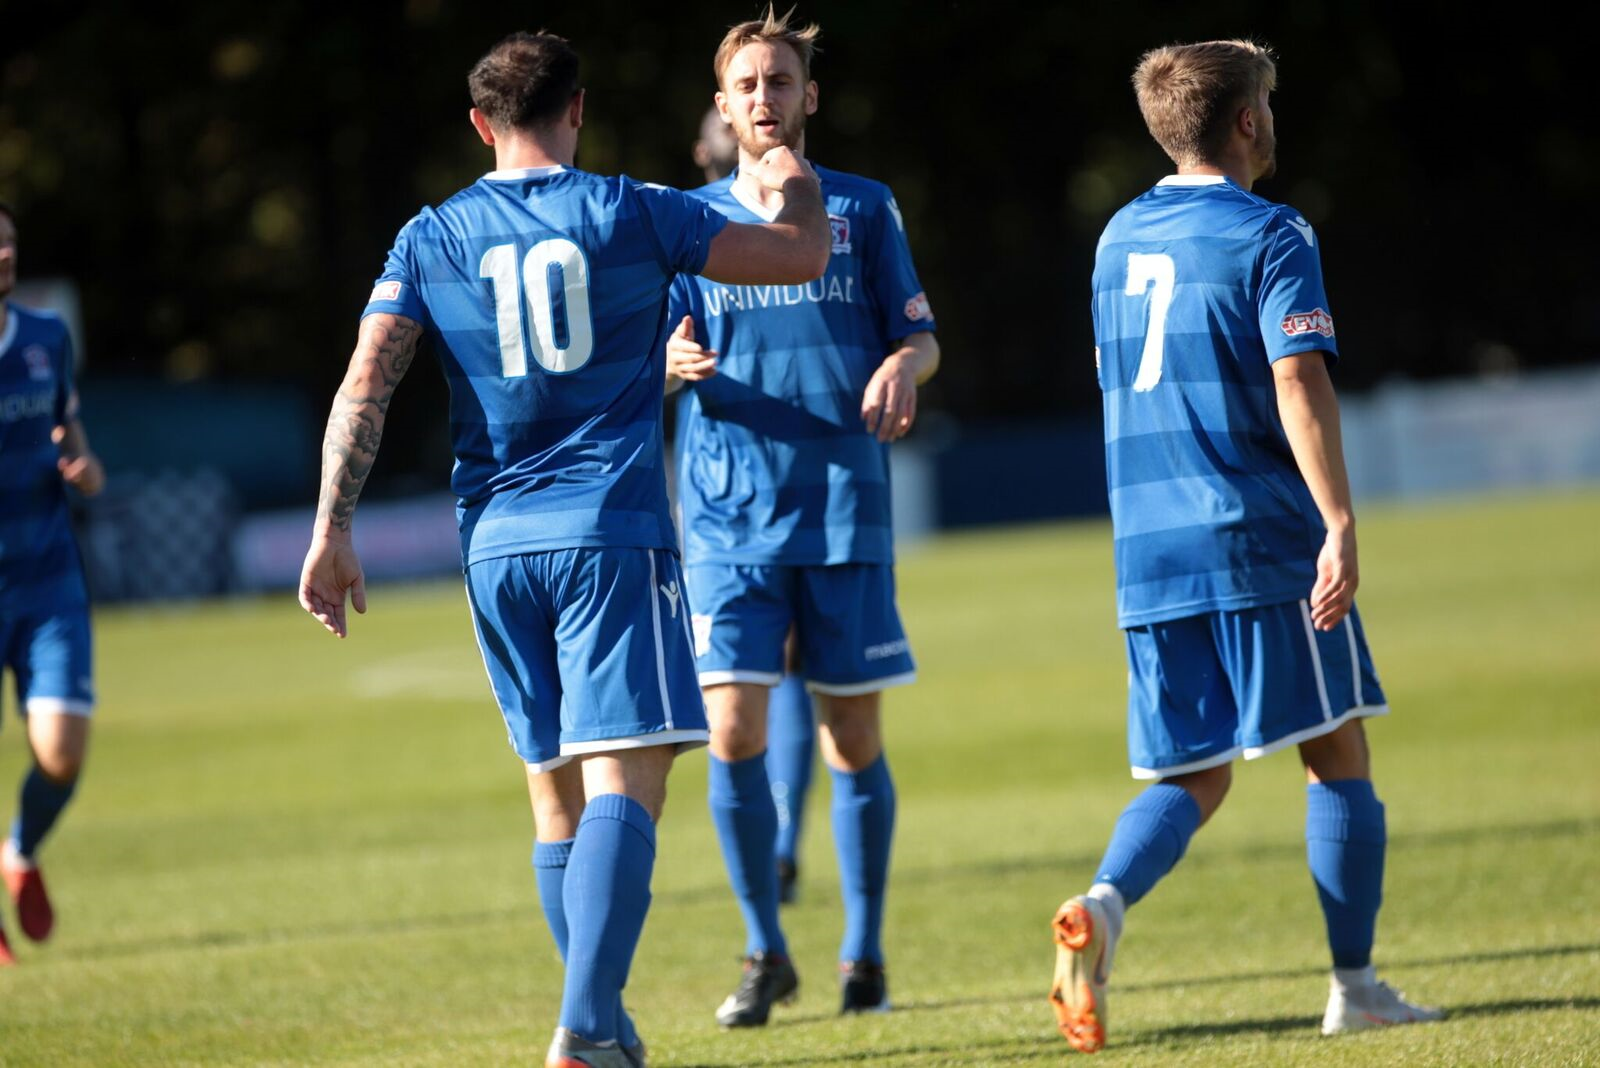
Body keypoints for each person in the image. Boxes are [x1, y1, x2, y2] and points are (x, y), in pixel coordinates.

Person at [296, 31, 829, 1068]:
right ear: (577, 110)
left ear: (481, 125)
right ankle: (584, 1025)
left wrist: (331, 528)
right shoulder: (635, 210)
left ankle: (608, 1027)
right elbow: (798, 255)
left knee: (553, 792)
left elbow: (366, 383)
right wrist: (792, 176)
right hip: (609, 536)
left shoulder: (429, 235)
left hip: (494, 549)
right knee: (630, 785)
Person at [1053, 39, 1442, 1053]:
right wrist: (1340, 523)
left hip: (1146, 547)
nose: (1273, 116)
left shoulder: (1113, 236)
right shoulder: (1271, 231)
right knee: (1337, 748)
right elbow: (1295, 379)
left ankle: (1100, 902)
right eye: (1267, 99)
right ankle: (1354, 986)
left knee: (1194, 773)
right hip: (1255, 531)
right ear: (1244, 122)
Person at [664, 8, 940, 1025]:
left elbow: (921, 337)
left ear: (807, 96)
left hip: (841, 509)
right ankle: (762, 948)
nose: (764, 100)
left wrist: (905, 365)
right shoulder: (683, 221)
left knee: (851, 742)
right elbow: (636, 357)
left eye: (780, 82)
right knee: (732, 732)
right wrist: (663, 362)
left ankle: (862, 954)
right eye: (746, 85)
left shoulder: (863, 211)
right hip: (728, 519)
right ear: (724, 105)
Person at [686, 104, 818, 907]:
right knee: (783, 676)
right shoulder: (692, 227)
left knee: (757, 683)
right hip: (731, 487)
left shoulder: (695, 226)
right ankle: (785, 847)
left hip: (735, 490)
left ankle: (782, 851)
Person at [0, 200, 105, 965]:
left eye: (7, 243)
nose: (3, 256)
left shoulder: (45, 337)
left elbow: (76, 443)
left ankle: (20, 850)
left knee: (62, 753)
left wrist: (86, 471)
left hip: (47, 583)